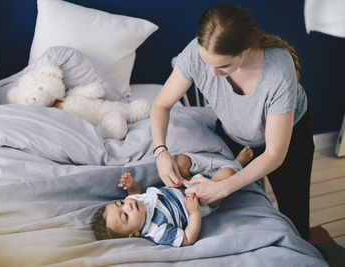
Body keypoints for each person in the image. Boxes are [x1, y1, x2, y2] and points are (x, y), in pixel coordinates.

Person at [150, 4, 314, 241]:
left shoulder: (278, 71)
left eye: (223, 66)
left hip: (287, 141)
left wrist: (222, 187)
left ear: (246, 49)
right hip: (235, 132)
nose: (213, 75)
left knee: (295, 212)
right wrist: (160, 152)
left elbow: (274, 154)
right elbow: (161, 105)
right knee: (247, 204)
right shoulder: (196, 53)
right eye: (208, 64)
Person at [91, 149, 253, 247]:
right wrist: (194, 212)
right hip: (201, 201)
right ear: (134, 234)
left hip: (181, 185)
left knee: (180, 161)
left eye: (121, 203)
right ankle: (237, 163)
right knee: (226, 175)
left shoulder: (137, 203)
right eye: (125, 216)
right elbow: (188, 239)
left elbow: (137, 194)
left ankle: (210, 169)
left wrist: (132, 186)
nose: (128, 206)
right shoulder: (157, 231)